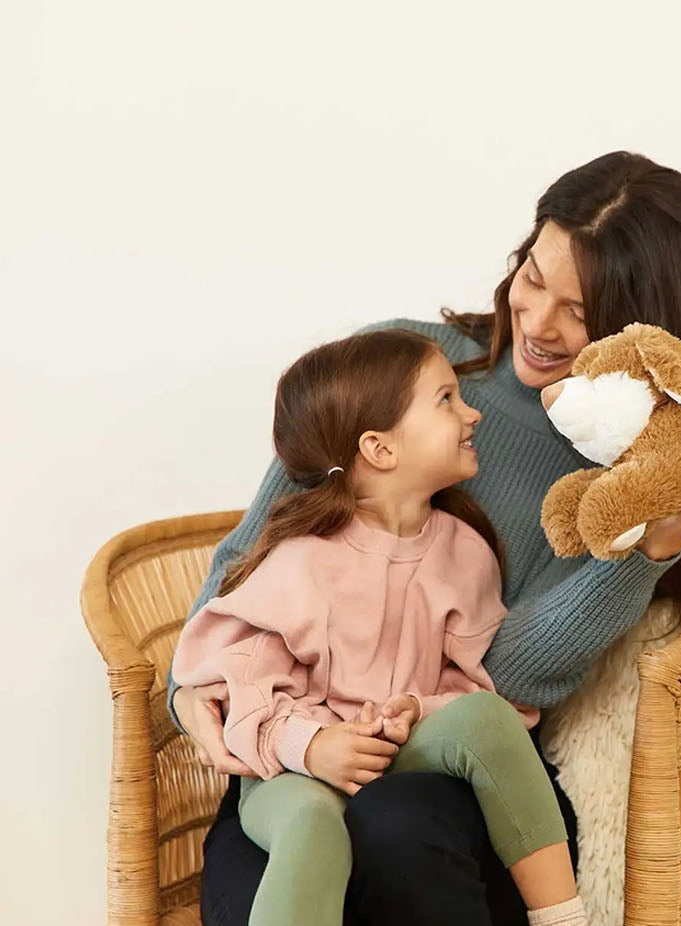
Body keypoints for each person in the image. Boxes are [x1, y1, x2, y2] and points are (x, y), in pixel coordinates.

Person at [169, 151, 681, 925]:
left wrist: (652, 544)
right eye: (534, 277)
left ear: (649, 328)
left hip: (470, 781)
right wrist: (193, 690)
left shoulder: (631, 463)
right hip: (304, 754)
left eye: (582, 309)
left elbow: (506, 675)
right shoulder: (396, 363)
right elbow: (252, 563)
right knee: (275, 869)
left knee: (392, 829)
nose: (538, 324)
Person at [172, 329, 588, 926]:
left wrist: (413, 711)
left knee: (493, 719)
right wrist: (315, 747)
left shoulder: (466, 554)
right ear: (380, 448)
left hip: (399, 753)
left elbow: (470, 685)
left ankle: (565, 918)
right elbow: (245, 697)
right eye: (446, 399)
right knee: (314, 826)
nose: (471, 413)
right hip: (295, 771)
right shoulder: (299, 561)